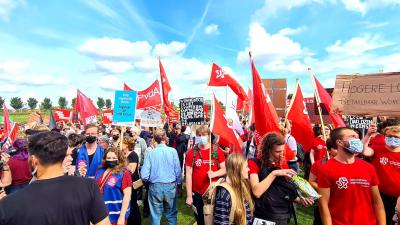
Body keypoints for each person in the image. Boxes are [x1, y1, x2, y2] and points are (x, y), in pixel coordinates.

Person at [0, 131, 110, 225]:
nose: (71, 158)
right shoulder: (88, 187)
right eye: (68, 155)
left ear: (33, 160)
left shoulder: (8, 204)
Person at [318, 127, 385, 225]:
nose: (357, 140)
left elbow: (377, 202)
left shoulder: (368, 167)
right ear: (339, 142)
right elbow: (323, 204)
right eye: (352, 137)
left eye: (357, 137)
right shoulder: (326, 168)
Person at [248, 132, 313, 225]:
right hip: (263, 215)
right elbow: (257, 192)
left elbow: (283, 190)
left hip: (282, 215)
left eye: (282, 150)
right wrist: (274, 173)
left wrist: (300, 200)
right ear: (267, 150)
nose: (281, 154)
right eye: (277, 151)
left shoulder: (282, 163)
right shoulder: (254, 163)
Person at [185, 125, 226, 225]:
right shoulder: (192, 152)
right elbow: (188, 174)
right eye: (199, 135)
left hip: (214, 193)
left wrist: (215, 173)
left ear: (208, 136)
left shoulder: (216, 150)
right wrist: (189, 196)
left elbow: (225, 169)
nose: (202, 137)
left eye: (204, 135)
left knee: (214, 221)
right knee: (200, 220)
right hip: (197, 195)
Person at [141, 129, 181, 225]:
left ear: (154, 139)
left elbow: (144, 175)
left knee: (155, 216)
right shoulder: (172, 151)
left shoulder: (151, 153)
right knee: (171, 214)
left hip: (155, 186)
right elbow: (178, 171)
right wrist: (179, 184)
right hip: (170, 186)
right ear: (165, 138)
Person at [363, 123, 400, 225]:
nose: (392, 139)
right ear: (384, 137)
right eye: (389, 136)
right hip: (380, 195)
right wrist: (368, 135)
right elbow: (363, 151)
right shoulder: (377, 149)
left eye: (396, 137)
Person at [214, 154, 254, 225]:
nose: (249, 169)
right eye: (246, 167)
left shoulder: (243, 186)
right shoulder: (224, 194)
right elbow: (221, 222)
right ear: (238, 169)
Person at [95, 147, 132, 225]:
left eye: (114, 158)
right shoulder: (99, 171)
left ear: (119, 159)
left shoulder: (124, 173)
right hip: (100, 213)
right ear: (105, 159)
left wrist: (122, 217)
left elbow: (127, 196)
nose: (111, 160)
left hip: (116, 214)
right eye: (108, 158)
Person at [308, 138, 337, 225]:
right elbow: (311, 181)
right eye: (335, 148)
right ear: (329, 150)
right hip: (323, 203)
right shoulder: (319, 164)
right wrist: (325, 189)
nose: (338, 151)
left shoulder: (347, 164)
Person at [123, 137, 142, 225]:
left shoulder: (133, 155)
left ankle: (135, 221)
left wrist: (123, 161)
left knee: (133, 203)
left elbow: (132, 170)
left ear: (127, 145)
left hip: (133, 182)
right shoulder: (123, 154)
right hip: (126, 181)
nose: (120, 145)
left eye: (122, 143)